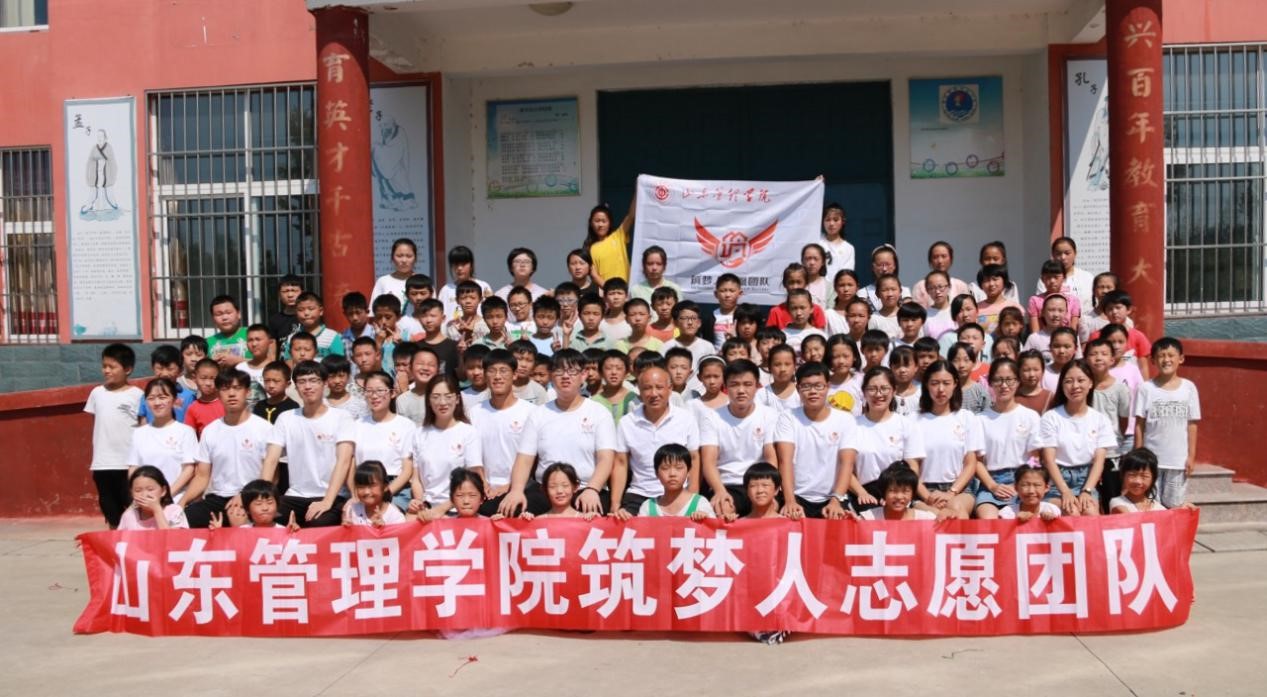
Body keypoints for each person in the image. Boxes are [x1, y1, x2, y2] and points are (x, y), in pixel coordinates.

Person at [501, 349, 616, 518]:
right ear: (551, 376)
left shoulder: (599, 413)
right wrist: (517, 490)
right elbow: (524, 459)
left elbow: (606, 458)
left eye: (572, 371)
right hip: (546, 491)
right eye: (559, 371)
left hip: (585, 488)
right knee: (513, 512)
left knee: (594, 517)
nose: (565, 376)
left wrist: (593, 489)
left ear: (583, 375)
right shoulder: (538, 414)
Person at [260, 360, 357, 527]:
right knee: (264, 518)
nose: (307, 386)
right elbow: (271, 460)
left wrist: (327, 501)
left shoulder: (341, 417)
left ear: (325, 383)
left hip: (331, 495)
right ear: (296, 387)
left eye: (313, 380)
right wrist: (263, 499)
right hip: (295, 495)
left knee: (317, 525)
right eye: (302, 381)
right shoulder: (286, 418)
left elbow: (344, 461)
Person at [183, 370, 273, 528]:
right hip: (218, 498)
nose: (231, 394)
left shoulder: (264, 429)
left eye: (237, 388)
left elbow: (272, 475)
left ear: (247, 392)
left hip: (254, 497)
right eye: (225, 389)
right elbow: (202, 476)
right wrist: (181, 503)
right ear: (218, 394)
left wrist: (245, 496)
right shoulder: (210, 431)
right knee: (185, 517)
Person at [611, 365, 699, 518]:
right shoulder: (627, 423)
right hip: (639, 494)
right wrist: (615, 503)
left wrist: (693, 498)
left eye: (659, 387)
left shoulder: (686, 419)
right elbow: (620, 463)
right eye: (647, 388)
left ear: (670, 389)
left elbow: (694, 459)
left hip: (678, 494)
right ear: (639, 391)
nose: (653, 394)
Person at [774, 361, 857, 520]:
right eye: (806, 386)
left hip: (833, 497)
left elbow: (847, 463)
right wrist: (790, 501)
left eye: (818, 386)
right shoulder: (788, 417)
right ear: (798, 389)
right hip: (796, 496)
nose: (813, 391)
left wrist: (836, 500)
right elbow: (785, 461)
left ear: (828, 387)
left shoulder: (845, 420)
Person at [700, 359, 778, 520]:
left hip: (759, 482)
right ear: (726, 387)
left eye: (747, 384)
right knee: (723, 509)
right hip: (727, 484)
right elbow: (708, 462)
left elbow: (771, 457)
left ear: (757, 386)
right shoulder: (712, 417)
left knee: (772, 512)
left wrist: (769, 488)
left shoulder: (769, 415)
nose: (741, 390)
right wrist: (720, 491)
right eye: (734, 385)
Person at [1037, 359, 1116, 516]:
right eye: (1068, 381)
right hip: (1057, 480)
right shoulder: (1051, 417)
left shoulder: (1100, 419)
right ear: (1062, 385)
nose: (1075, 386)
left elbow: (1099, 461)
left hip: (1086, 479)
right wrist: (1065, 491)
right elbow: (1049, 460)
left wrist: (1087, 490)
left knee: (1091, 513)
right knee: (1072, 512)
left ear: (1090, 383)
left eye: (1081, 380)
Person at [1134, 337, 1201, 509]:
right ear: (1153, 360)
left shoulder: (1189, 388)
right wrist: (1138, 455)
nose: (1166, 360)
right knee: (1151, 504)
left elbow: (1192, 425)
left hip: (1178, 461)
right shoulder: (1145, 389)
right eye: (1161, 355)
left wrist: (1191, 456)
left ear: (1181, 359)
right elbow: (1139, 424)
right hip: (1151, 460)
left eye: (1171, 355)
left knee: (1174, 504)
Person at [468, 349, 537, 516]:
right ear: (485, 375)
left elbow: (534, 458)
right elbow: (472, 455)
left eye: (503, 371)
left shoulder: (531, 412)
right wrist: (482, 484)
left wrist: (511, 486)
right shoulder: (474, 412)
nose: (497, 376)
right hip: (484, 491)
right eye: (492, 371)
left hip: (520, 489)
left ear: (515, 375)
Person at [848, 366, 925, 511]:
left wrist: (901, 495)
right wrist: (862, 493)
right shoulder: (852, 426)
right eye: (872, 389)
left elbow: (913, 466)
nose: (878, 394)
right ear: (864, 392)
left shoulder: (906, 424)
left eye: (884, 388)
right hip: (864, 495)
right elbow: (845, 469)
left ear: (894, 390)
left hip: (899, 494)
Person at [914, 360, 983, 519]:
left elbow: (970, 462)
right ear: (926, 385)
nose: (940, 389)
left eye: (946, 383)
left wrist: (951, 492)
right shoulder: (913, 420)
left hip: (960, 488)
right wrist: (928, 497)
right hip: (922, 489)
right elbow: (912, 467)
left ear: (955, 384)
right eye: (935, 383)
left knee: (956, 511)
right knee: (932, 516)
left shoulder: (967, 418)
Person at [974, 358, 1042, 519]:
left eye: (1009, 380)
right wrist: (993, 486)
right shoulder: (980, 419)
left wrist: (1019, 484)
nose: (1004, 385)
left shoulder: (1030, 416)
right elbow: (976, 461)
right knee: (988, 520)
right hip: (991, 481)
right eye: (998, 380)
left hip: (1023, 480)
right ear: (990, 383)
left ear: (1018, 382)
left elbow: (1035, 458)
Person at [408, 375, 483, 520]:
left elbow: (475, 479)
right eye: (436, 397)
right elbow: (416, 479)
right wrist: (421, 504)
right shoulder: (419, 434)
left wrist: (442, 509)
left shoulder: (468, 433)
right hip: (427, 508)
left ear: (457, 399)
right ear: (428, 401)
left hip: (457, 509)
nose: (442, 402)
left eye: (448, 397)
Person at [86, 344, 143, 529]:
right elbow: (98, 424)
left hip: (128, 463)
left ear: (128, 369)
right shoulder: (97, 393)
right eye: (104, 366)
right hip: (102, 463)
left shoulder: (137, 395)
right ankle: (116, 540)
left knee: (135, 508)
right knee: (110, 509)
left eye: (112, 366)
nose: (107, 370)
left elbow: (143, 427)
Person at [126, 378, 199, 502]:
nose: (157, 403)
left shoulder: (185, 432)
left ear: (174, 400)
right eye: (151, 398)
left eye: (162, 397)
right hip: (144, 501)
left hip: (175, 499)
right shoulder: (139, 433)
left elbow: (189, 469)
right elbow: (133, 468)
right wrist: (139, 495)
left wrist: (166, 495)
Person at [353, 371, 417, 512]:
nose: (374, 396)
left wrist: (384, 494)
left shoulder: (406, 426)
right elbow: (351, 463)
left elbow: (407, 470)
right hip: (364, 490)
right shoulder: (357, 425)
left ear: (392, 393)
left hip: (395, 490)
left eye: (380, 391)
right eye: (369, 391)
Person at [638, 444, 714, 519]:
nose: (672, 474)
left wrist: (705, 519)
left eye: (679, 468)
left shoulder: (700, 504)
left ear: (688, 471)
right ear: (656, 473)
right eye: (665, 468)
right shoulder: (648, 507)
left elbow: (713, 525)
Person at [854, 462, 937, 521]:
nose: (899, 497)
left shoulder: (926, 519)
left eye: (905, 491)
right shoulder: (869, 518)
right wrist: (849, 520)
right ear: (884, 492)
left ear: (913, 494)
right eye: (893, 491)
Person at [117, 466, 189, 530]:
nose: (144, 495)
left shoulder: (175, 511)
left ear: (163, 491)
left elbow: (174, 539)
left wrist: (157, 510)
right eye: (138, 490)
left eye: (150, 489)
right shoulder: (129, 516)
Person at [1036, 236, 1096, 312]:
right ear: (1053, 255)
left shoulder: (1087, 277)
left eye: (1067, 253)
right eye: (1058, 253)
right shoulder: (1046, 279)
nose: (1063, 257)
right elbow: (1041, 303)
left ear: (1075, 253)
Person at [520, 463, 596, 520]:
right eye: (552, 486)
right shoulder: (538, 521)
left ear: (575, 487)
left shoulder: (585, 519)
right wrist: (525, 522)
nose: (559, 491)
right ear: (545, 489)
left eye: (565, 485)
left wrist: (596, 520)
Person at [343, 460, 408, 527]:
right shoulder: (352, 510)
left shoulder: (395, 517)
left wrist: (384, 529)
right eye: (361, 487)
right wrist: (347, 529)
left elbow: (400, 533)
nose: (366, 492)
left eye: (371, 486)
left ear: (385, 487)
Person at [584, 203, 634, 285]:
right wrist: (608, 289)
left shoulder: (618, 236)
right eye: (597, 221)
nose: (600, 225)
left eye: (604, 221)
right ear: (591, 223)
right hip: (605, 291)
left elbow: (631, 215)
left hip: (625, 289)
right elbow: (594, 275)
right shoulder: (589, 248)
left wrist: (638, 194)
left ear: (610, 223)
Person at [437, 245, 493, 320]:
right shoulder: (446, 290)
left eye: (463, 264)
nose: (459, 268)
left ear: (471, 265)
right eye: (456, 264)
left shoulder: (483, 286)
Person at [767, 263, 827, 329]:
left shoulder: (816, 310)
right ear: (784, 284)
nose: (795, 287)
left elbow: (820, 334)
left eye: (799, 282)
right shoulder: (776, 312)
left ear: (806, 283)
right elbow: (770, 334)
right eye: (791, 282)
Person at [911, 241, 971, 307]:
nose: (940, 261)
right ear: (930, 261)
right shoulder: (920, 286)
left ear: (951, 259)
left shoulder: (961, 286)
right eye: (935, 257)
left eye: (944, 256)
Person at [1028, 260, 1081, 334]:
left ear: (1064, 278)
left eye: (1056, 277)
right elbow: (1035, 332)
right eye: (1048, 277)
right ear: (1042, 279)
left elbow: (1073, 330)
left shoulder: (1073, 300)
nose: (1052, 281)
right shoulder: (1034, 300)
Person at [289, 292, 345, 358]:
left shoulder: (332, 337)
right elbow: (288, 361)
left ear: (321, 311)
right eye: (301, 310)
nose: (306, 313)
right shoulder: (291, 338)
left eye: (311, 309)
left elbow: (339, 362)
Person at [857, 245, 911, 312]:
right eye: (880, 265)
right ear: (873, 267)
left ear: (895, 266)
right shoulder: (863, 293)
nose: (884, 269)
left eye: (888, 264)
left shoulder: (904, 292)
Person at [998, 466, 1062, 521]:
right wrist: (1015, 521)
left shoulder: (1052, 509)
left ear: (1046, 488)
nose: (1031, 491)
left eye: (1037, 485)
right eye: (1025, 485)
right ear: (1016, 488)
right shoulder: (1007, 513)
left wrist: (1052, 520)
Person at [974, 265, 1024, 335]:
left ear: (1004, 281)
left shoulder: (1015, 307)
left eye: (995, 279)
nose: (991, 284)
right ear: (981, 285)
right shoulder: (975, 309)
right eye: (986, 280)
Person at [663, 300, 715, 368]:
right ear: (675, 323)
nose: (690, 322)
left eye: (694, 318)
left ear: (699, 323)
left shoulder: (707, 347)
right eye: (685, 318)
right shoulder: (667, 347)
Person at [591, 349, 637, 423]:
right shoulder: (594, 402)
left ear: (627, 372)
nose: (614, 372)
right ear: (601, 372)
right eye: (608, 368)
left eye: (619, 368)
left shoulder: (634, 399)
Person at [183, 358, 225, 437]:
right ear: (195, 378)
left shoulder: (227, 404)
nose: (208, 383)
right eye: (203, 378)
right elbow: (189, 437)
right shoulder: (193, 409)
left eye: (213, 378)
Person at [371, 239, 418, 309]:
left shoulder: (423, 281)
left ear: (415, 258)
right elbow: (373, 311)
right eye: (399, 256)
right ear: (392, 258)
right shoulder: (383, 281)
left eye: (409, 256)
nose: (404, 260)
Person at [207, 294, 250, 370]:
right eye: (219, 314)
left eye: (228, 313)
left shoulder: (253, 335)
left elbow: (268, 363)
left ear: (239, 314)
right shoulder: (207, 343)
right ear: (213, 319)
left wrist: (238, 361)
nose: (224, 318)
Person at [948, 342, 991, 414]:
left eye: (966, 360)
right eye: (956, 360)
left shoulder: (980, 392)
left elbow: (987, 416)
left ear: (973, 363)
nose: (961, 365)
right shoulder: (946, 391)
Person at [756, 344, 800, 413]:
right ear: (769, 367)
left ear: (794, 366)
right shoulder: (761, 395)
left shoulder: (801, 393)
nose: (783, 369)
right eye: (777, 364)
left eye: (787, 364)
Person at [820, 202, 856, 288]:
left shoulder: (848, 248)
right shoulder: (817, 241)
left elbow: (847, 274)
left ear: (843, 222)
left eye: (835, 220)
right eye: (828, 220)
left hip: (838, 290)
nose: (831, 224)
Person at [323, 355, 369, 420]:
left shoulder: (360, 405)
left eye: (341, 376)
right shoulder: (321, 404)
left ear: (348, 376)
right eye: (332, 376)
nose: (337, 381)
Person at [825, 334, 862, 415]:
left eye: (846, 356)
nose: (841, 361)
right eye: (835, 357)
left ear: (854, 356)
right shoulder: (823, 383)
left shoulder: (861, 381)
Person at [267, 274, 304, 356]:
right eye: (285, 291)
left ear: (302, 292)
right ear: (279, 295)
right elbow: (272, 350)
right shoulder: (274, 320)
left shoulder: (308, 317)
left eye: (294, 290)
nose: (290, 295)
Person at [711, 273, 743, 351]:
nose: (727, 295)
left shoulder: (744, 315)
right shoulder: (711, 317)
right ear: (716, 294)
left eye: (732, 291)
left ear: (740, 294)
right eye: (723, 291)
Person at [825, 269, 860, 337]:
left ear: (857, 287)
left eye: (850, 285)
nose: (846, 289)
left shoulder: (863, 313)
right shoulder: (828, 315)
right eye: (841, 285)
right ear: (835, 288)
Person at [801, 242, 830, 307]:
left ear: (823, 262)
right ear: (802, 261)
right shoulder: (797, 284)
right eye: (808, 259)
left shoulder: (829, 287)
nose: (812, 263)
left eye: (816, 259)